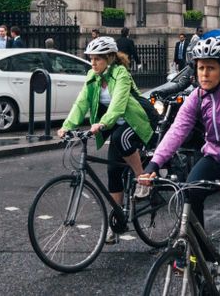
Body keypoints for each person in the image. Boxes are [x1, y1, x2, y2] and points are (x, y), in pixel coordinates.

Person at [138, 38, 220, 296]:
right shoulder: (197, 96)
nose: (205, 74)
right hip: (215, 157)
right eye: (200, 68)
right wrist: (153, 165)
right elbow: (177, 131)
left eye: (211, 68)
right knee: (189, 190)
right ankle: (204, 257)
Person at [59, 36, 153, 244]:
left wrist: (102, 123)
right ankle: (116, 223)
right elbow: (81, 102)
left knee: (121, 139)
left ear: (110, 58)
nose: (93, 63)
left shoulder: (121, 74)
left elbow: (118, 104)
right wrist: (67, 125)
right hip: (115, 123)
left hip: (135, 121)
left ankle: (143, 179)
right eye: (91, 59)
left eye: (97, 59)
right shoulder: (92, 76)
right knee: (112, 172)